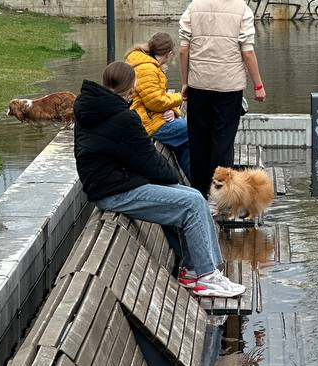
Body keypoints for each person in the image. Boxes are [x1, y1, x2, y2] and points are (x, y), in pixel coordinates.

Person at [73, 59, 244, 298]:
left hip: (110, 185)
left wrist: (171, 183)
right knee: (193, 203)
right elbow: (150, 161)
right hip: (115, 192)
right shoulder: (122, 117)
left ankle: (196, 270)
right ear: (131, 89)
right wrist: (171, 179)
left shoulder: (90, 109)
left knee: (194, 196)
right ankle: (206, 278)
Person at [179, 0, 266, 197]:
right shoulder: (242, 9)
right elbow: (247, 52)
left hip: (199, 85)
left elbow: (184, 49)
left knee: (198, 142)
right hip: (229, 88)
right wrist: (258, 85)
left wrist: (185, 81)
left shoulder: (194, 7)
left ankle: (198, 195)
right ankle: (219, 198)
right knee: (223, 144)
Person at [125, 32, 190, 177]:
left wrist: (173, 110)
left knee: (185, 144)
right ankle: (204, 182)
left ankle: (199, 185)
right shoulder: (147, 68)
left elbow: (156, 97)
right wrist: (181, 97)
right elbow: (156, 101)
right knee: (198, 129)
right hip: (149, 123)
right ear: (168, 53)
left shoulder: (148, 64)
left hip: (155, 118)